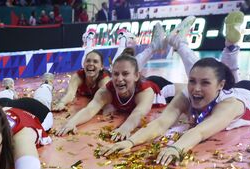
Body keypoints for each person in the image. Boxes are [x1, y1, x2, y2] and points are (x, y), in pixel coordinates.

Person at [100, 13, 250, 165]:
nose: (195, 89)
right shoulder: (189, 93)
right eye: (191, 81)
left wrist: (176, 148)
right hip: (232, 86)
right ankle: (230, 45)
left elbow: (200, 132)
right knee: (217, 72)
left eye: (204, 83)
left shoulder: (229, 106)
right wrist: (131, 142)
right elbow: (161, 123)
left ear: (221, 86)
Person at [55, 18, 195, 139]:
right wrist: (71, 123)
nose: (119, 79)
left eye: (125, 74)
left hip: (160, 87)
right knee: (127, 67)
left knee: (193, 89)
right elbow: (90, 109)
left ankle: (179, 43)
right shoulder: (107, 89)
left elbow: (138, 113)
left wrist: (125, 128)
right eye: (115, 74)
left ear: (136, 76)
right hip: (141, 79)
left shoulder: (145, 91)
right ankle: (154, 46)